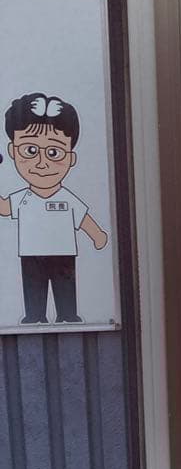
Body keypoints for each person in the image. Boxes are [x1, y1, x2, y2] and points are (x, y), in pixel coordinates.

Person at [0, 93, 108, 324]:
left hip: (63, 252)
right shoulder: (23, 197)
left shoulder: (67, 198)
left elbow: (84, 218)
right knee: (33, 287)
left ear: (71, 158)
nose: (42, 163)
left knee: (65, 285)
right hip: (30, 253)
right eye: (30, 150)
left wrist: (98, 235)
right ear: (12, 152)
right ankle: (35, 316)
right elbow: (4, 208)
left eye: (53, 152)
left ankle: (67, 315)